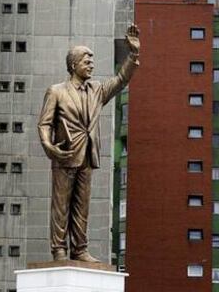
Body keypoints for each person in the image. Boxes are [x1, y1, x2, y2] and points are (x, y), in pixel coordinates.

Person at [38, 24, 140, 262]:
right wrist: (49, 146)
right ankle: (59, 250)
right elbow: (44, 124)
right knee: (61, 206)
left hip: (87, 155)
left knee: (82, 207)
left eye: (92, 61)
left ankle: (80, 249)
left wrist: (133, 54)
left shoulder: (97, 90)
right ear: (74, 65)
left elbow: (122, 79)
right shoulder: (56, 91)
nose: (91, 65)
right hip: (64, 154)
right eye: (87, 61)